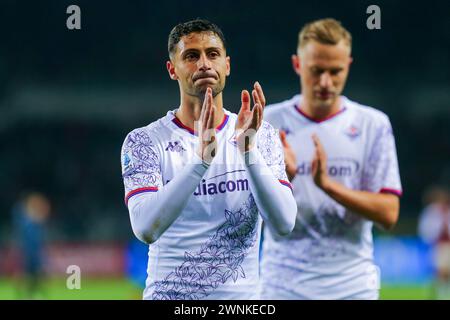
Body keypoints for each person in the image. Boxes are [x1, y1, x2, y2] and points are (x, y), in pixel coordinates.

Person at [120, 19, 296, 300]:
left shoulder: (259, 135)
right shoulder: (145, 141)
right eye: (191, 56)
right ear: (172, 70)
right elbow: (145, 228)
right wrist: (200, 161)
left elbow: (285, 223)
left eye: (212, 54)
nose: (204, 64)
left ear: (227, 64)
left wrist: (249, 153)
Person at [260, 18, 402, 300]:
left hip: (353, 288)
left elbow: (389, 213)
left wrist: (328, 185)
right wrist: (281, 179)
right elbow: (243, 210)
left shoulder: (372, 124)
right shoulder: (267, 122)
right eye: (316, 71)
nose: (325, 82)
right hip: (282, 288)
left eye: (335, 71)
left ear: (348, 65)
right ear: (298, 65)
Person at [12, 192, 51, 299]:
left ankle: (31, 293)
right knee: (29, 274)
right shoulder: (27, 221)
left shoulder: (33, 221)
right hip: (29, 252)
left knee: (36, 275)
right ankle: (28, 293)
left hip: (35, 252)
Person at [418, 186, 450, 299]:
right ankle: (442, 294)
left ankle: (443, 293)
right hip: (438, 245)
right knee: (440, 271)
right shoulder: (432, 212)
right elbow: (426, 228)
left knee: (446, 271)